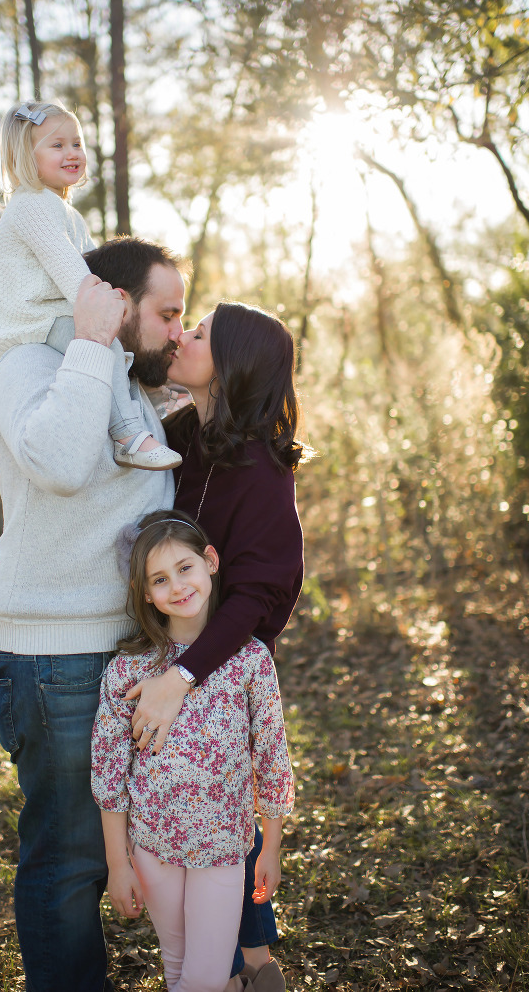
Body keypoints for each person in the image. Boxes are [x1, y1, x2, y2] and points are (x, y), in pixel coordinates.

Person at [0, 236, 186, 992]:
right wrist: (93, 341)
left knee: (108, 851)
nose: (175, 328)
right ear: (118, 305)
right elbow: (64, 465)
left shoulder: (124, 381)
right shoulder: (30, 369)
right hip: (56, 663)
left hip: (121, 655)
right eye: (168, 312)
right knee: (69, 863)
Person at [125, 301, 307, 992]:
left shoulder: (261, 468)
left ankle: (250, 973)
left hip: (224, 679)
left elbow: (259, 599)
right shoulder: (183, 436)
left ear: (231, 368)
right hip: (176, 657)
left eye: (197, 333)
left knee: (225, 829)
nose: (182, 336)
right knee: (197, 828)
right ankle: (235, 968)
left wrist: (183, 678)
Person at [91, 510, 294, 992]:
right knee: (179, 968)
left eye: (186, 568)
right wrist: (119, 865)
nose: (178, 586)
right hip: (153, 847)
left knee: (203, 978)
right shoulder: (128, 669)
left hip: (222, 846)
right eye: (160, 579)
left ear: (211, 562)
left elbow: (271, 753)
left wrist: (272, 845)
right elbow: (109, 773)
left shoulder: (248, 661)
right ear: (145, 593)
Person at [0, 97, 180, 471]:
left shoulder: (66, 211)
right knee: (102, 342)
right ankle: (127, 436)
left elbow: (95, 268)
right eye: (57, 145)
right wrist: (109, 309)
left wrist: (127, 301)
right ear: (26, 156)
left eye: (76, 143)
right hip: (32, 321)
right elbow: (76, 276)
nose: (71, 152)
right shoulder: (29, 206)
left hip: (59, 313)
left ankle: (150, 400)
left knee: (124, 331)